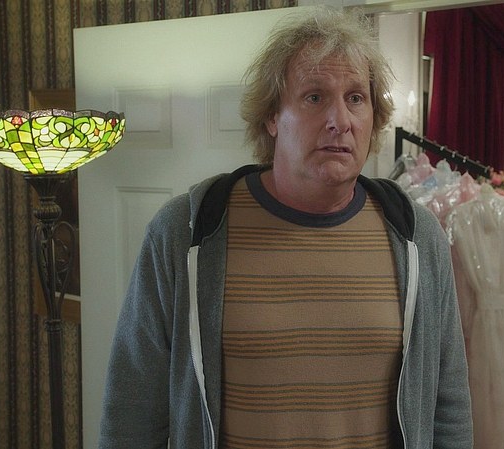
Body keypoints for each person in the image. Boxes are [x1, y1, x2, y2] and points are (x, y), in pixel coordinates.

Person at [98, 7, 473, 449]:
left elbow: (449, 407)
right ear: (273, 116)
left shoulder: (416, 237)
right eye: (314, 97)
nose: (340, 120)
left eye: (356, 98)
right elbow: (132, 411)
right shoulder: (186, 232)